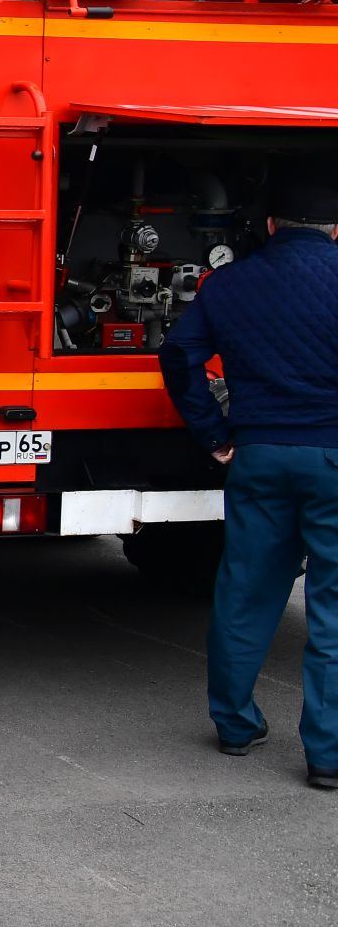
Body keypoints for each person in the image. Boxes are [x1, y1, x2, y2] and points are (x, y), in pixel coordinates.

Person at [159, 174, 338, 792]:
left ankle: (235, 726)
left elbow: (179, 355)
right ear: (337, 230)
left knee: (246, 593)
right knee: (333, 611)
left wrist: (214, 434)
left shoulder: (227, 283)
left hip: (258, 455)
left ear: (268, 227)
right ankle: (328, 755)